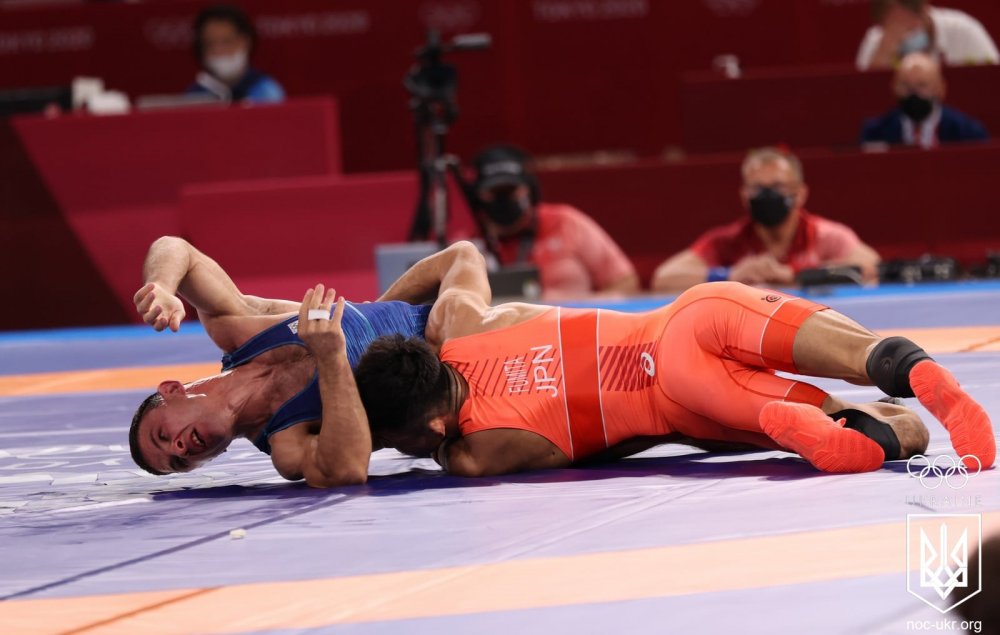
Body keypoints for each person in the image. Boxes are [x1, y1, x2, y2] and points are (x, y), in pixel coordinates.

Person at [355, 241, 995, 478]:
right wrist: (373, 320)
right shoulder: (460, 322)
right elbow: (461, 255)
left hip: (682, 396)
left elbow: (604, 449)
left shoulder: (473, 452)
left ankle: (856, 433)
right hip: (696, 312)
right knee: (862, 352)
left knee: (881, 426)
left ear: (432, 426)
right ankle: (913, 367)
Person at [127, 236, 434, 486]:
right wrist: (331, 357)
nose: (180, 448)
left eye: (162, 435)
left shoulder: (238, 328)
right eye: (179, 462)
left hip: (441, 315)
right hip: (450, 382)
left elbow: (175, 248)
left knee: (456, 261)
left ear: (172, 389)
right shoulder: (287, 444)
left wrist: (161, 286)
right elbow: (348, 471)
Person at [650, 147, 881, 294]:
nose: (767, 195)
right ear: (744, 196)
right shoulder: (727, 240)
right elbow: (664, 278)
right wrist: (729, 275)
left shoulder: (825, 235)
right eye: (757, 188)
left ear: (800, 193)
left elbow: (872, 267)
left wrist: (796, 274)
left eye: (778, 186)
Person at [468, 145, 639, 301]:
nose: (502, 199)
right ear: (476, 197)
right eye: (493, 192)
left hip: (572, 320)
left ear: (530, 190)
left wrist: (589, 309)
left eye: (511, 190)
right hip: (508, 324)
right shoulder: (468, 242)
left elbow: (625, 282)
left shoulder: (566, 222)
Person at [861, 52, 989, 149]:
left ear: (940, 88)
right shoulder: (875, 133)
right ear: (894, 87)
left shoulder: (967, 133)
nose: (913, 93)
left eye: (922, 85)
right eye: (905, 86)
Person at [856, 0, 999, 70]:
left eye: (909, 26)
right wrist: (881, 59)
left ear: (925, 11)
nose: (903, 34)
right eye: (894, 27)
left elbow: (993, 81)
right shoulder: (876, 41)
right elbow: (862, 99)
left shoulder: (963, 31)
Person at [186, 4, 285, 104]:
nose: (219, 50)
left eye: (227, 41)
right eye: (210, 43)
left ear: (246, 41)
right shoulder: (194, 95)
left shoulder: (267, 90)